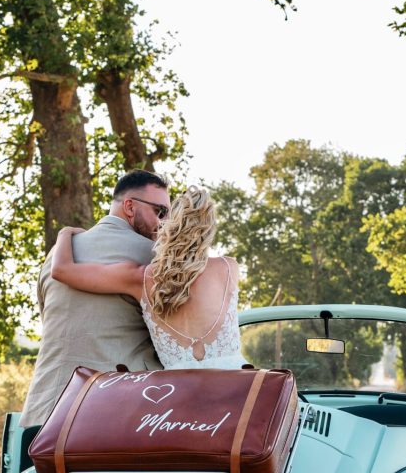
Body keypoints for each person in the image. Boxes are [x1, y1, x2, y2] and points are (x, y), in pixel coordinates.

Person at [19, 170, 171, 429]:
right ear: (130, 207)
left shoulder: (58, 253)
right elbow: (171, 335)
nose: (163, 223)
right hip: (117, 415)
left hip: (43, 412)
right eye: (160, 212)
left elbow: (51, 321)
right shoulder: (155, 256)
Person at [51, 186, 243, 370]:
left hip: (179, 391)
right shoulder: (228, 268)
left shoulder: (140, 278)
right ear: (208, 230)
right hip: (235, 389)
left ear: (169, 227)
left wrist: (65, 232)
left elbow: (62, 270)